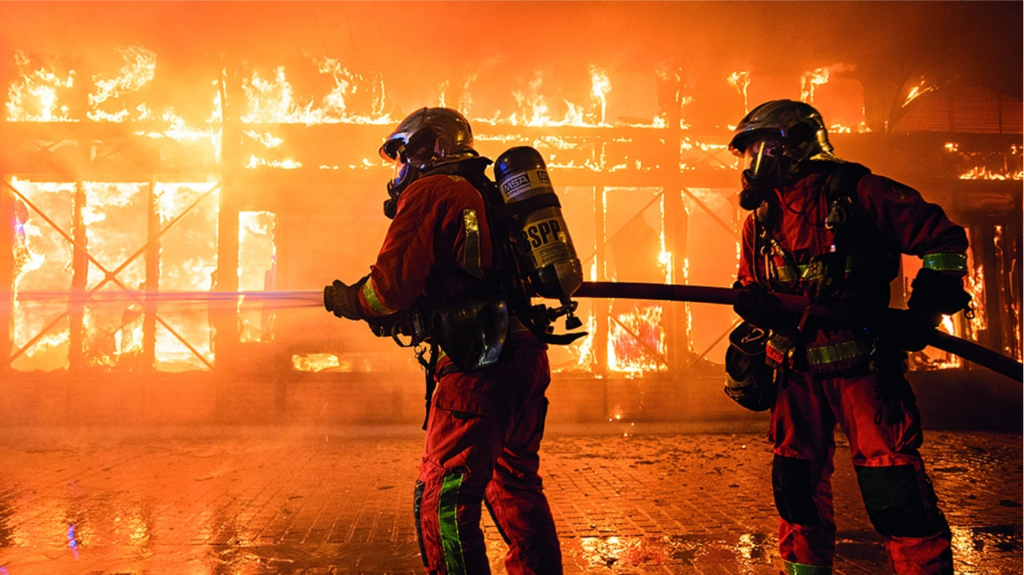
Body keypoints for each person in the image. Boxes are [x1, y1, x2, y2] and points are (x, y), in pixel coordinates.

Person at [728, 100, 971, 575]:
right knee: (796, 489)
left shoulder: (861, 193)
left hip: (861, 366)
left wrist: (924, 311)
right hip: (794, 372)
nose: (750, 163)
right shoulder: (760, 220)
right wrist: (750, 302)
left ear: (794, 144)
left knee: (893, 490)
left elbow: (944, 241)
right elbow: (750, 283)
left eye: (758, 147)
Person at [324, 107, 562, 575]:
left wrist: (354, 300)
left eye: (401, 156)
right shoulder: (485, 194)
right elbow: (469, 280)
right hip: (525, 356)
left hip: (478, 369)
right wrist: (411, 316)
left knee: (444, 499)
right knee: (515, 489)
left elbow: (388, 287)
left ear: (428, 148)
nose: (398, 170)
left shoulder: (431, 190)